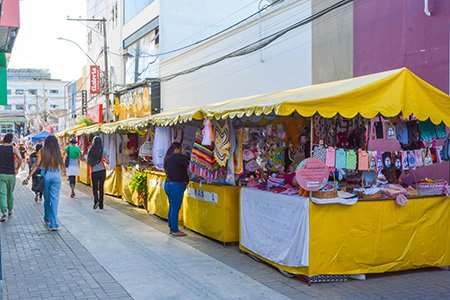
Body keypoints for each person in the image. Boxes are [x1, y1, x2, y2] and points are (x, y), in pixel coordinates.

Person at [24, 135, 65, 231]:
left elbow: (36, 164)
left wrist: (29, 176)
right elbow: (62, 167)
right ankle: (54, 224)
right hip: (56, 176)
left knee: (47, 199)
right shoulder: (59, 152)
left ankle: (47, 218)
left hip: (45, 175)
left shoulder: (41, 152)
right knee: (54, 200)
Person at [163, 142, 190, 237]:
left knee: (172, 207)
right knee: (175, 208)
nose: (181, 152)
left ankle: (171, 226)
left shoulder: (168, 158)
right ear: (176, 149)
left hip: (168, 184)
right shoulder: (176, 157)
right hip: (175, 185)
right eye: (180, 150)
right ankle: (174, 230)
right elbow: (188, 160)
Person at [0, 133, 23, 222]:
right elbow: (20, 158)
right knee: (10, 193)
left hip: (1, 174)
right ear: (11, 140)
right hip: (11, 174)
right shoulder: (13, 149)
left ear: (4, 140)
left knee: (2, 193)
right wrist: (17, 169)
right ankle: (10, 210)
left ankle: (4, 213)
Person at [87, 136, 109, 210]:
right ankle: (101, 204)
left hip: (94, 171)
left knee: (95, 188)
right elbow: (108, 162)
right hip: (102, 171)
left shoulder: (90, 150)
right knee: (101, 187)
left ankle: (96, 200)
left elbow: (88, 162)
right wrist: (103, 159)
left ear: (94, 142)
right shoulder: (104, 150)